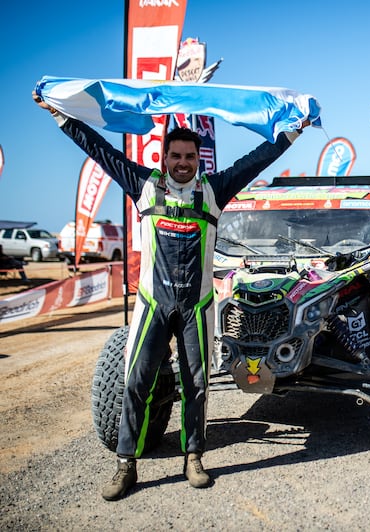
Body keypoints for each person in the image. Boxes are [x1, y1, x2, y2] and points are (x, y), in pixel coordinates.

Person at [34, 92, 310, 501]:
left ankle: (194, 456)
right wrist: (61, 117)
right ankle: (125, 464)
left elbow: (258, 159)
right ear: (165, 158)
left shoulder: (215, 190)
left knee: (197, 385)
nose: (183, 163)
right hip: (153, 305)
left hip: (196, 307)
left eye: (190, 158)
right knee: (136, 382)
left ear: (198, 161)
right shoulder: (144, 186)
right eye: (176, 156)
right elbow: (99, 150)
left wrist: (291, 133)